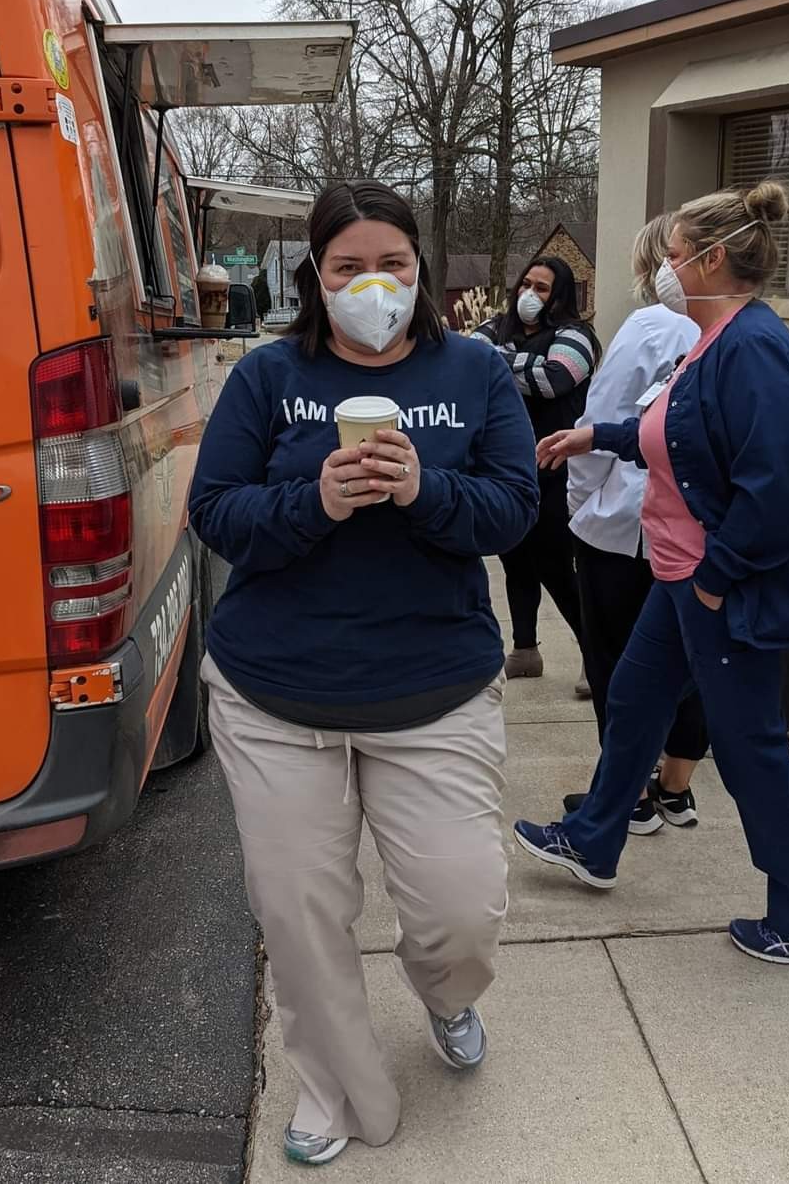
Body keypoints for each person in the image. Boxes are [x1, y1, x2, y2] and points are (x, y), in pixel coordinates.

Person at [190, 180, 538, 1166]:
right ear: (317, 275)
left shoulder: (474, 371)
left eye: (391, 263)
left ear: (420, 270)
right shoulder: (267, 378)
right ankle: (335, 1085)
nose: (371, 284)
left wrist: (427, 488)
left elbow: (513, 511)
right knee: (301, 912)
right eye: (348, 267)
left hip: (432, 688)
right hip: (275, 694)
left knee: (460, 911)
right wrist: (316, 501)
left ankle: (447, 997)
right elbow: (215, 513)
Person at [513, 181, 789, 972]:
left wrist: (716, 576)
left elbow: (775, 491)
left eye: (673, 257)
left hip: (720, 586)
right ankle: (596, 839)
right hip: (684, 580)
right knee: (635, 699)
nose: (663, 271)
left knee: (751, 752)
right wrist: (592, 434)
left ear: (711, 260)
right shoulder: (714, 340)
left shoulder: (755, 350)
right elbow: (679, 434)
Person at [563, 215, 709, 835]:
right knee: (692, 662)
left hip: (629, 528)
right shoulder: (739, 333)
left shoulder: (650, 326)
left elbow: (603, 416)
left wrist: (580, 502)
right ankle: (675, 788)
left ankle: (627, 797)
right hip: (699, 535)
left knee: (618, 664)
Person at [473, 258, 600, 693]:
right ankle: (525, 649)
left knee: (555, 564)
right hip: (506, 464)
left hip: (556, 465)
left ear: (559, 295)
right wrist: (520, 362)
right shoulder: (497, 325)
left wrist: (501, 363)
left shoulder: (578, 336)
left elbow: (556, 379)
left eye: (542, 288)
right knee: (514, 557)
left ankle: (595, 654)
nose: (530, 293)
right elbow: (471, 362)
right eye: (526, 283)